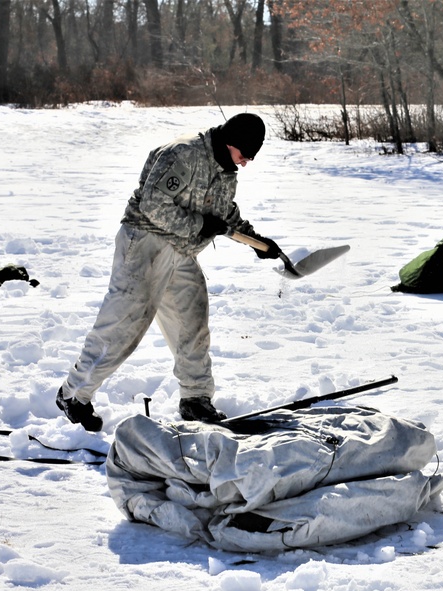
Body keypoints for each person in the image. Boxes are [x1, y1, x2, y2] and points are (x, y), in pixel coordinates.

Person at [57, 112, 281, 431]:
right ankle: (74, 394)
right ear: (231, 142)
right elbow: (154, 205)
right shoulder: (183, 153)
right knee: (124, 326)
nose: (246, 162)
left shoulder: (225, 171)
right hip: (144, 244)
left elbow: (222, 214)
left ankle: (195, 398)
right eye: (245, 154)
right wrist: (202, 225)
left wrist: (256, 241)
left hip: (181, 251)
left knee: (192, 322)